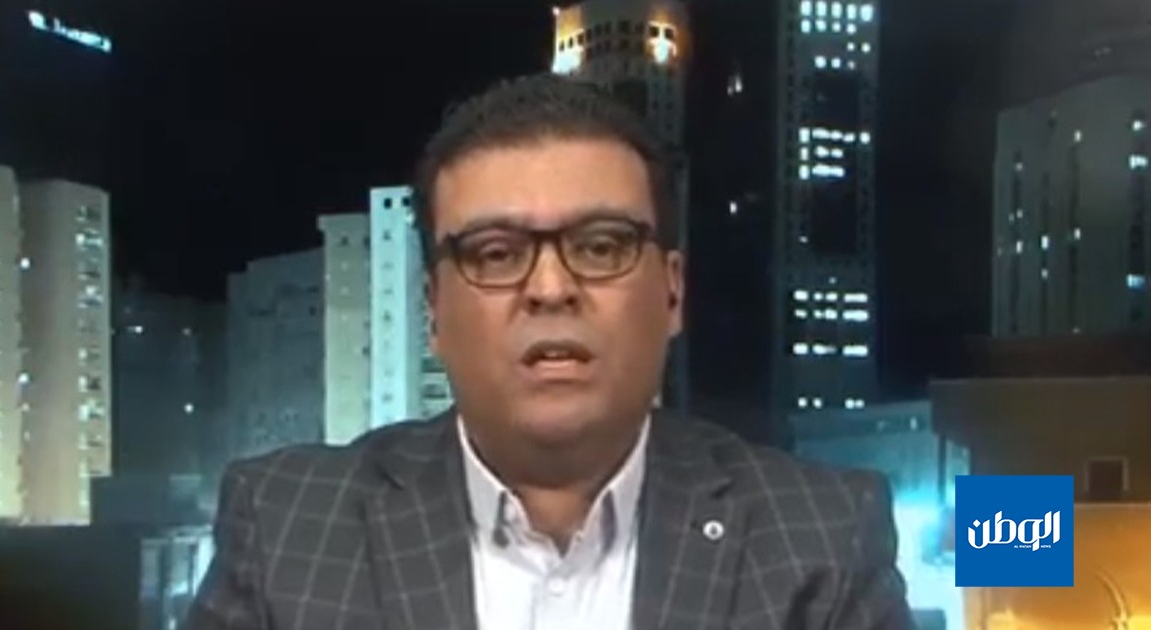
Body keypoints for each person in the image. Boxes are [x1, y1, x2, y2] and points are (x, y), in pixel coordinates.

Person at [185, 73, 916, 630]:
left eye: (600, 247)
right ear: (433, 309)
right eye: (496, 253)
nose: (550, 288)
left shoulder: (821, 536)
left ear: (672, 292)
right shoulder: (288, 527)